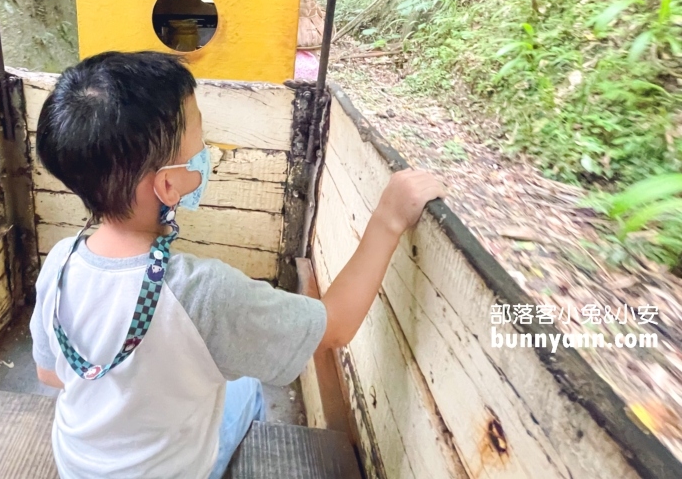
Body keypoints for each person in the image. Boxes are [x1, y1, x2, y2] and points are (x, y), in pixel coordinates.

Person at [30, 51, 444, 479]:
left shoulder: (61, 261)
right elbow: (335, 326)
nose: (205, 152)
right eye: (199, 138)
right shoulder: (206, 292)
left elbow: (49, 371)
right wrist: (388, 219)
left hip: (77, 464)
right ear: (168, 184)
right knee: (245, 386)